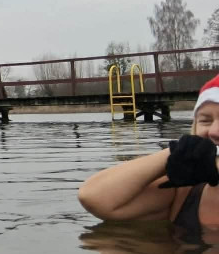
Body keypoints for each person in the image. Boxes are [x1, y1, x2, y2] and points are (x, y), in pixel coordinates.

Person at [79, 74, 219, 235]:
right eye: (205, 121)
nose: (214, 131)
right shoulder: (182, 190)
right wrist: (174, 153)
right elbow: (92, 197)